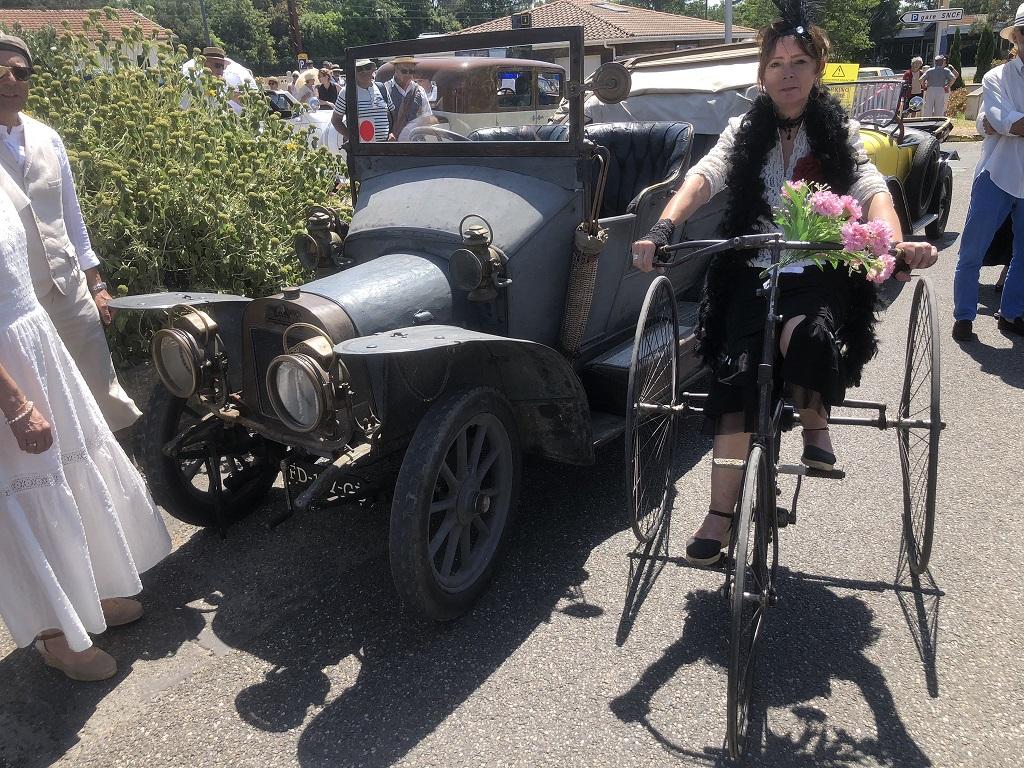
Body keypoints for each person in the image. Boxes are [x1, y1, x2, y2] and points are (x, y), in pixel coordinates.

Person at [630, 14, 938, 566]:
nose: (787, 74)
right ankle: (719, 516)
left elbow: (871, 188)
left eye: (799, 63)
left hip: (817, 265)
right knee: (735, 379)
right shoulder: (744, 128)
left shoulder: (836, 131)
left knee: (808, 334)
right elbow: (706, 174)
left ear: (817, 70)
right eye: (776, 64)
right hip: (750, 268)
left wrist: (896, 241)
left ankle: (813, 419)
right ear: (763, 72)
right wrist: (664, 226)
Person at [0, 178, 172, 680]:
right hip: (7, 368)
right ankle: (57, 635)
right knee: (30, 496)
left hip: (32, 338)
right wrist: (15, 405)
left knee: (70, 472)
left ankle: (88, 597)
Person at [0, 35, 142, 443]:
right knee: (45, 402)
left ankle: (121, 476)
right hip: (16, 305)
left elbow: (71, 217)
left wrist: (95, 284)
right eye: (1, 71)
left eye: (20, 71)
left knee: (101, 391)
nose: (11, 79)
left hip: (68, 289)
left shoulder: (47, 137)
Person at [952, 10, 1024, 339]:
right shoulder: (997, 77)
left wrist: (1008, 124)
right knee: (972, 251)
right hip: (996, 175)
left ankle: (1011, 314)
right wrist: (1007, 124)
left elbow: (1006, 124)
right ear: (1016, 38)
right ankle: (964, 315)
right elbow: (1001, 121)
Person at [331, 59, 394, 144]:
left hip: (384, 146)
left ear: (372, 69)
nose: (364, 71)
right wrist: (352, 138)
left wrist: (392, 132)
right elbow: (336, 120)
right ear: (354, 72)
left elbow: (393, 114)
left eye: (367, 67)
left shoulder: (381, 88)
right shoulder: (347, 92)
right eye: (359, 69)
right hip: (361, 149)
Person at [383, 56, 433, 138]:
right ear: (396, 69)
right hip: (393, 144)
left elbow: (427, 117)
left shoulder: (420, 90)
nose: (408, 74)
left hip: (414, 142)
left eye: (411, 71)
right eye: (404, 71)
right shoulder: (385, 89)